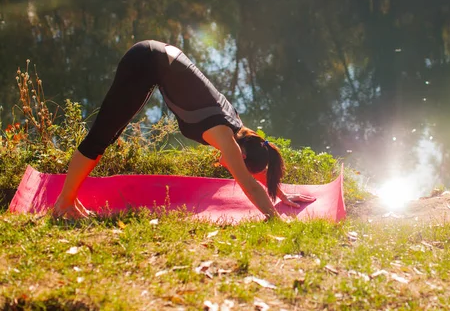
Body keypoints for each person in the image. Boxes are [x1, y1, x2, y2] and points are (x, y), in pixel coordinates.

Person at [52, 40, 315, 219]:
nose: (231, 167)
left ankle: (70, 197)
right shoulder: (226, 136)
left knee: (106, 135)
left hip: (157, 59)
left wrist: (278, 192)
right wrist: (275, 219)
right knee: (102, 135)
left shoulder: (240, 129)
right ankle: (64, 202)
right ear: (242, 155)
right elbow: (248, 184)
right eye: (239, 163)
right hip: (145, 61)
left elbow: (256, 167)